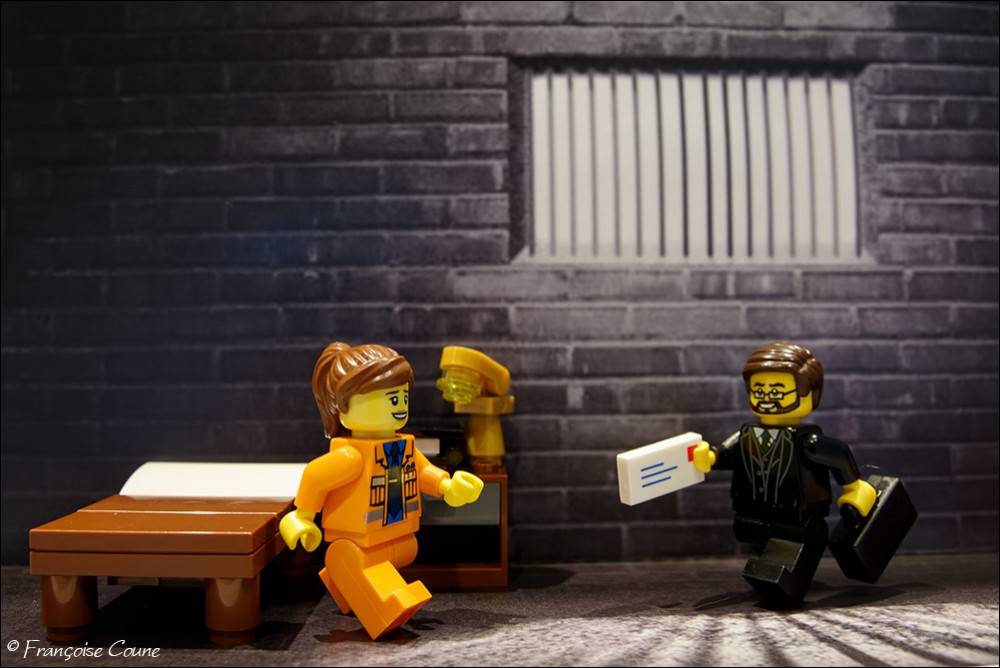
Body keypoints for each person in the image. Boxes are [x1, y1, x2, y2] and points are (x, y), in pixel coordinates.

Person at [280, 342, 483, 638]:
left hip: (396, 533)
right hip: (356, 542)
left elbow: (422, 471)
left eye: (403, 397)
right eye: (392, 397)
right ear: (345, 406)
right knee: (350, 559)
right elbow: (315, 475)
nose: (400, 405)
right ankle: (383, 607)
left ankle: (346, 588)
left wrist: (448, 487)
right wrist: (302, 516)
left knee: (396, 554)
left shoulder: (401, 445)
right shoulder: (351, 456)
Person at [693, 341, 876, 606]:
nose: (767, 398)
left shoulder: (808, 441)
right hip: (754, 512)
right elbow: (726, 453)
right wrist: (710, 456)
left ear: (810, 393)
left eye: (778, 391)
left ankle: (784, 582)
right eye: (758, 390)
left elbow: (838, 455)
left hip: (799, 519)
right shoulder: (747, 435)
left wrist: (854, 487)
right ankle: (773, 574)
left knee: (787, 556)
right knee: (761, 545)